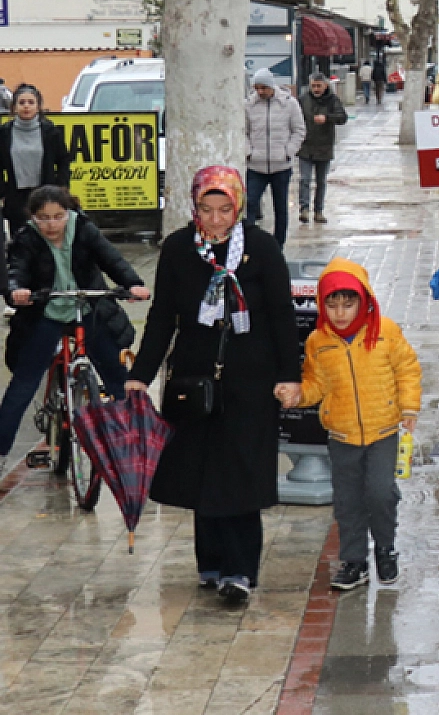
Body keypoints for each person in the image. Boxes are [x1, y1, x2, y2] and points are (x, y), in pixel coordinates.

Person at [125, 167, 300, 604]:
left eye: (225, 210)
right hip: (193, 374)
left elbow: (281, 315)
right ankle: (212, 563)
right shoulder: (179, 249)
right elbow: (164, 315)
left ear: (238, 206)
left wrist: (290, 376)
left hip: (251, 376)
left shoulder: (260, 248)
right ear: (194, 207)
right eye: (207, 209)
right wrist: (140, 376)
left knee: (241, 468)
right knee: (202, 468)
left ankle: (240, 570)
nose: (216, 219)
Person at [300, 259, 422, 590]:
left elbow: (407, 369)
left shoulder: (386, 332)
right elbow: (315, 385)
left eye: (348, 304)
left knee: (381, 493)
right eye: (332, 304)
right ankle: (354, 561)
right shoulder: (318, 342)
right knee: (348, 500)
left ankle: (385, 547)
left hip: (383, 430)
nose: (341, 313)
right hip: (341, 435)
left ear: (364, 300)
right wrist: (296, 395)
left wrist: (409, 406)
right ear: (322, 305)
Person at [0, 186, 149, 458]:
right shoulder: (25, 240)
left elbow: (111, 259)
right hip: (45, 312)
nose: (51, 224)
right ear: (32, 217)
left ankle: (137, 443)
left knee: (117, 375)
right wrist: (16, 291)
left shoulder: (84, 229)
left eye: (58, 216)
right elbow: (15, 270)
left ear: (69, 213)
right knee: (24, 383)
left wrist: (133, 285)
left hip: (88, 307)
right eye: (43, 218)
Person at [0, 84, 71, 238]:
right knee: (20, 238)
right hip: (16, 197)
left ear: (38, 107)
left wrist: (60, 187)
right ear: (14, 107)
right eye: (22, 102)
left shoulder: (50, 132)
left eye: (31, 102)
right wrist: (3, 191)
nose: (26, 106)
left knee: (45, 236)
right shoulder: (4, 133)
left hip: (45, 194)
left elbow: (64, 160)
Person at [245, 69, 305, 248]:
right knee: (250, 205)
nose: (260, 92)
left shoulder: (289, 104)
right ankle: (249, 244)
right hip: (256, 166)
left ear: (271, 86)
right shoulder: (248, 105)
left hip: (281, 166)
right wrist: (249, 152)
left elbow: (299, 130)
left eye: (263, 88)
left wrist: (289, 151)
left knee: (281, 208)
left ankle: (278, 245)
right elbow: (243, 132)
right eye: (257, 88)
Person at [297, 71, 348, 226]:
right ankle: (304, 209)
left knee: (321, 181)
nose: (316, 89)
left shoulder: (332, 100)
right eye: (313, 86)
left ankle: (318, 211)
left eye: (319, 86)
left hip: (324, 147)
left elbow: (342, 117)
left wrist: (327, 119)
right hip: (305, 146)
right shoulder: (303, 100)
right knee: (305, 179)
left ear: (325, 86)